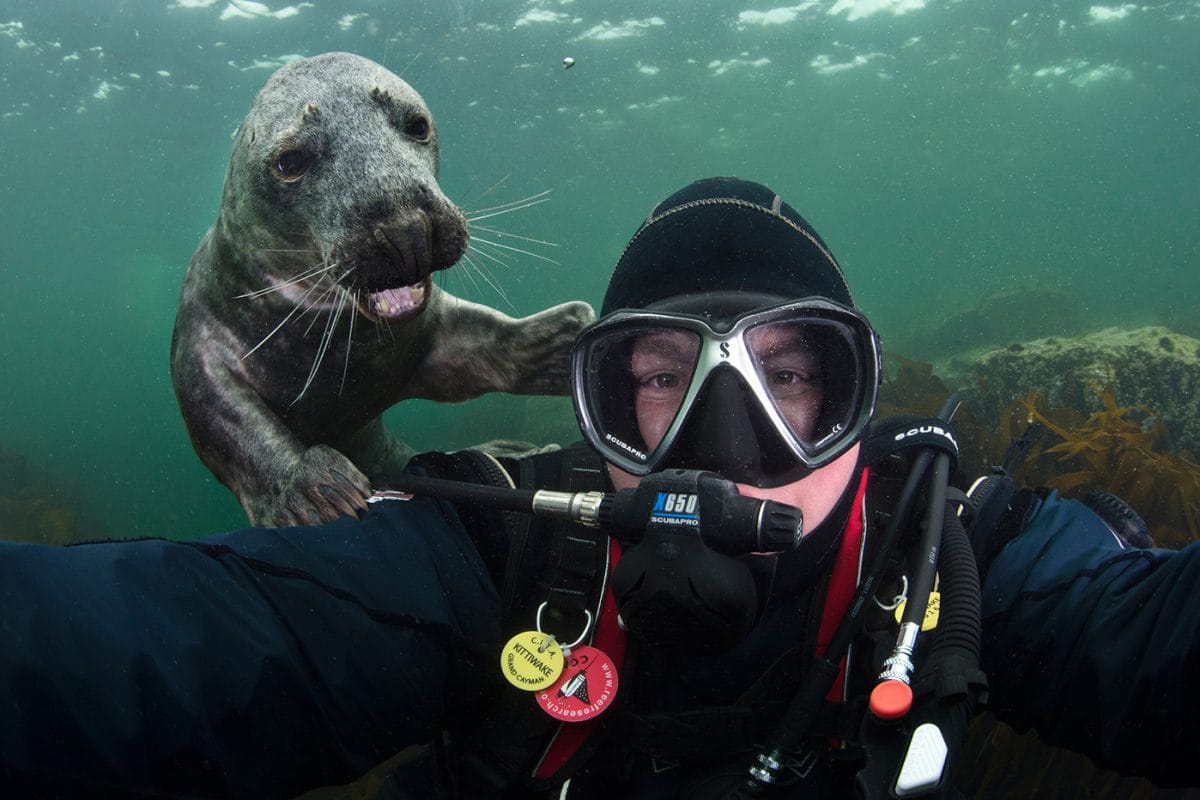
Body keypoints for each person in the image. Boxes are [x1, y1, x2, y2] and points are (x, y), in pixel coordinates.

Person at [1, 177, 1198, 799]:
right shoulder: (500, 555)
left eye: (791, 375)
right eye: (663, 376)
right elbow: (173, 650)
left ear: (860, 400)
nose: (726, 440)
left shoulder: (959, 556)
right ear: (600, 407)